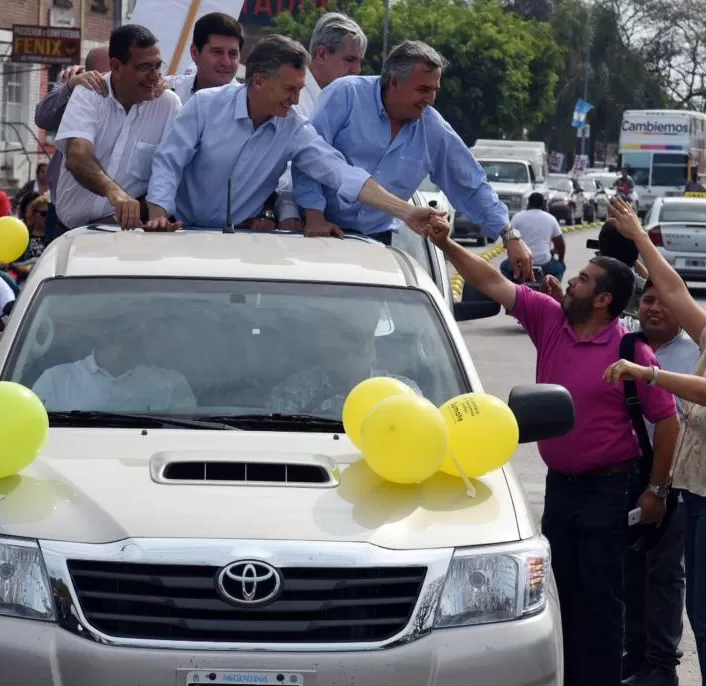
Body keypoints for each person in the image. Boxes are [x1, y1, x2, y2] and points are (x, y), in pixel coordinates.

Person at [427, 219, 680, 686]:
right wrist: (446, 245)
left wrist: (657, 491)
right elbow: (492, 283)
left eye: (582, 280)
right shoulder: (550, 320)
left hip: (611, 490)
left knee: (601, 602)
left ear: (603, 300)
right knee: (560, 596)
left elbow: (667, 423)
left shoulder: (631, 351)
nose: (569, 281)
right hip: (561, 490)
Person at [604, 196, 706, 686]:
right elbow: (674, 290)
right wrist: (639, 234)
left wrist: (650, 374)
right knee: (705, 615)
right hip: (702, 501)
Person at [146, 35, 446, 238]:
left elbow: (340, 173)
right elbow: (169, 162)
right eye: (290, 90)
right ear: (259, 81)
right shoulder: (205, 105)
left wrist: (406, 212)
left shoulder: (294, 127)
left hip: (240, 242)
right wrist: (159, 215)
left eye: (301, 89)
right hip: (181, 234)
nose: (296, 99)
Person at [290, 41, 532, 278]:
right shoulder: (346, 95)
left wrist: (509, 234)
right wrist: (314, 217)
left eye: (435, 90)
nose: (431, 100)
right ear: (395, 81)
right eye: (423, 90)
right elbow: (310, 157)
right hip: (319, 234)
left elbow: (470, 183)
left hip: (376, 246)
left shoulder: (433, 128)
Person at [619, 279, 701, 686]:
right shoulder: (626, 342)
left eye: (664, 302)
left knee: (664, 572)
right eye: (648, 300)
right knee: (629, 569)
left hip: (677, 479)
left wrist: (661, 488)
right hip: (627, 473)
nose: (654, 308)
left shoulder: (700, 355)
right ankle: (635, 655)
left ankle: (661, 665)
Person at [55, 24, 181, 230]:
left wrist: (157, 215)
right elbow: (77, 157)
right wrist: (115, 193)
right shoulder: (89, 93)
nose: (155, 76)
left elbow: (170, 169)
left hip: (127, 235)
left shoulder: (168, 104)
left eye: (157, 66)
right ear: (115, 66)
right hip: (71, 233)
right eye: (144, 67)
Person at [275, 11, 367, 229]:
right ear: (322, 54)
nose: (357, 70)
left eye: (359, 62)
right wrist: (291, 213)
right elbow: (286, 169)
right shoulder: (291, 100)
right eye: (349, 60)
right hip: (291, 223)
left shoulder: (348, 101)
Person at [268, 299, 421, 415]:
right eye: (349, 336)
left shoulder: (402, 393)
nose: (361, 346)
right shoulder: (292, 393)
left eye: (367, 336)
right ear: (325, 340)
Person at [31, 315, 196, 412]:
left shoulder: (172, 385)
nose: (146, 343)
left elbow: (188, 442)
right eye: (133, 333)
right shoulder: (55, 380)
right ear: (112, 337)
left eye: (148, 335)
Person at [34, 47, 110, 199]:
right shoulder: (75, 84)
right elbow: (43, 117)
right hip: (63, 202)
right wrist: (69, 87)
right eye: (104, 76)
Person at [164, 12, 242, 105]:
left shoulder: (248, 106)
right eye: (217, 52)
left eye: (233, 54)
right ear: (194, 52)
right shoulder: (166, 90)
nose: (226, 62)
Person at [500, 192, 565, 282]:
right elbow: (560, 244)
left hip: (520, 262)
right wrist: (561, 260)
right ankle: (553, 293)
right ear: (543, 204)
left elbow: (508, 239)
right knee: (559, 269)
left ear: (528, 203)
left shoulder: (518, 217)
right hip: (544, 262)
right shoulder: (551, 219)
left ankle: (509, 292)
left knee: (504, 267)